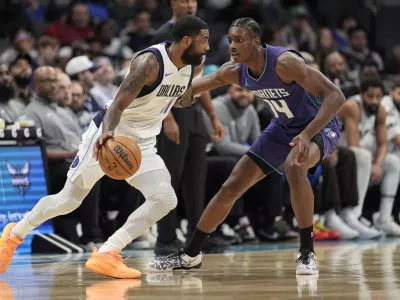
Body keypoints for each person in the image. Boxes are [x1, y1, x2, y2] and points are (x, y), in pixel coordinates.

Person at [0, 15, 210, 279]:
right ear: (187, 41)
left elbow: (176, 97)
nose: (208, 47)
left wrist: (203, 89)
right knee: (68, 200)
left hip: (143, 143)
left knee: (165, 198)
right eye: (204, 41)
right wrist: (108, 134)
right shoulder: (149, 63)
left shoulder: (193, 65)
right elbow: (118, 104)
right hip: (111, 136)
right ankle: (14, 234)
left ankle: (107, 252)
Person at [147, 17, 345, 275]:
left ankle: (307, 252)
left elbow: (336, 96)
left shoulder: (285, 63)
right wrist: (158, 96)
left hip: (320, 125)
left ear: (256, 41)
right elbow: (193, 89)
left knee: (294, 166)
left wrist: (307, 135)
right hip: (283, 128)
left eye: (239, 40)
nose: (232, 46)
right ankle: (190, 254)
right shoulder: (235, 71)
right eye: (230, 40)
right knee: (231, 185)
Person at [151, 0, 225, 255]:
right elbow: (157, 81)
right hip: (170, 113)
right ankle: (165, 238)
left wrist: (212, 115)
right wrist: (167, 118)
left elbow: (194, 81)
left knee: (197, 178)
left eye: (193, 0)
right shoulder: (163, 34)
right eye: (184, 0)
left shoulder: (198, 33)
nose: (190, 4)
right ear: (173, 3)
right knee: (169, 178)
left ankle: (199, 235)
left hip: (193, 114)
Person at [338, 78, 400, 236]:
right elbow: (353, 144)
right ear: (361, 95)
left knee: (393, 162)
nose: (375, 101)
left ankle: (384, 218)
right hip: (338, 151)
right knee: (363, 155)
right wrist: (372, 165)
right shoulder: (353, 106)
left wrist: (378, 164)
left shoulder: (380, 111)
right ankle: (352, 215)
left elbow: (383, 144)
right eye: (370, 96)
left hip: (360, 155)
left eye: (378, 97)